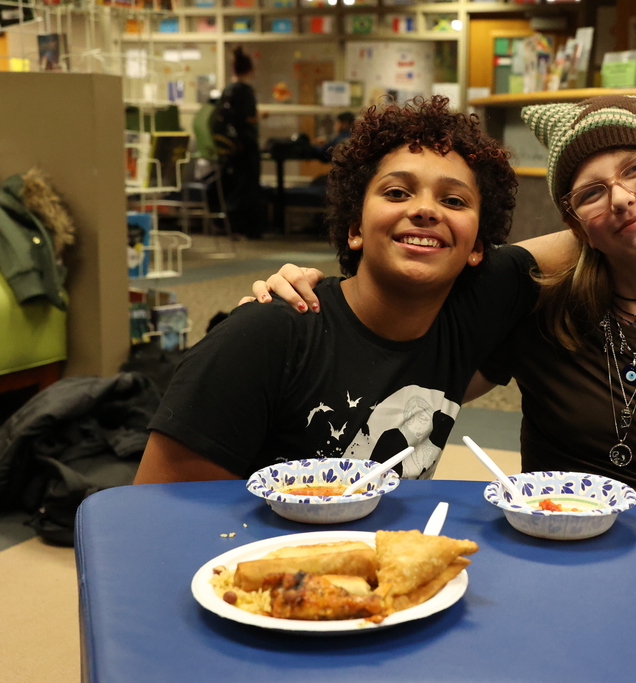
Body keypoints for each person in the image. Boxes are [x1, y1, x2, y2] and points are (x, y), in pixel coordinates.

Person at [247, 93, 636, 500]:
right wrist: (309, 320)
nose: (624, 199)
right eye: (592, 192)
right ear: (574, 220)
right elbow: (408, 364)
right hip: (546, 548)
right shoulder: (543, 307)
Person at [134, 96, 540, 484]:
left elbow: (585, 238)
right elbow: (157, 519)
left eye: (453, 200)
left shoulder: (460, 327)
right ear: (355, 228)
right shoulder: (268, 336)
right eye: (397, 192)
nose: (425, 209)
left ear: (478, 247)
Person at [213, 46, 265, 240]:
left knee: (236, 186)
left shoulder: (228, 90)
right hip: (246, 146)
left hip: (233, 148)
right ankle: (246, 228)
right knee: (247, 187)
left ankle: (232, 225)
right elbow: (249, 117)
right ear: (249, 69)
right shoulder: (244, 91)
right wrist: (260, 118)